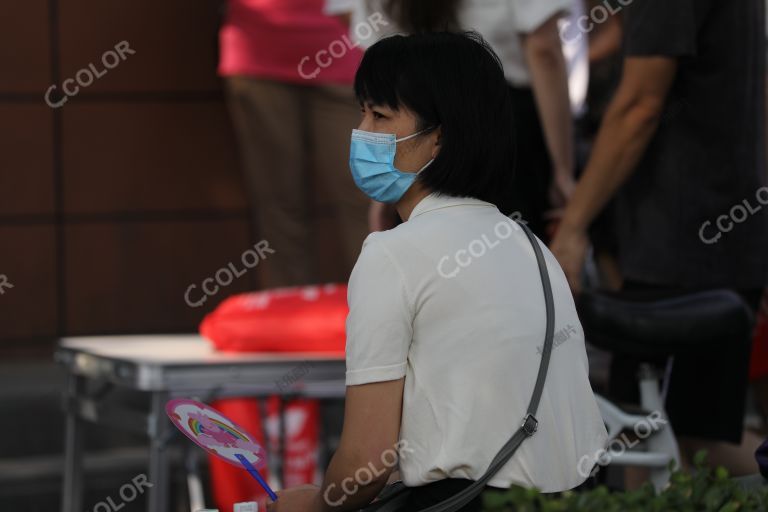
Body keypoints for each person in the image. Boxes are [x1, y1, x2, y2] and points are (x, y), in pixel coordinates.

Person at [267, 32, 607, 512]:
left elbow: (367, 460)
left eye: (380, 116)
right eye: (363, 111)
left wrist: (317, 503)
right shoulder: (532, 248)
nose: (362, 131)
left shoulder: (392, 255)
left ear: (439, 139)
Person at [551, 0, 768, 475]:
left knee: (665, 436)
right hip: (710, 232)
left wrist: (573, 226)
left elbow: (639, 106)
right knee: (665, 433)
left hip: (687, 241)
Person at [327, 0, 576, 239]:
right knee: (510, 249)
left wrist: (385, 191)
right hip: (505, 123)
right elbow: (544, 51)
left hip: (412, 121)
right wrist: (562, 170)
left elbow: (382, 69)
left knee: (420, 257)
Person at [220, 0, 370, 288]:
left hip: (346, 51)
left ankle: (380, 316)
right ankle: (287, 317)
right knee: (279, 202)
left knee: (366, 195)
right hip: (258, 54)